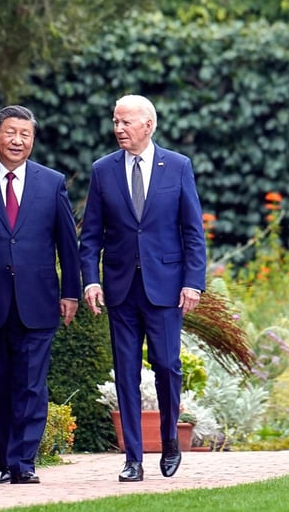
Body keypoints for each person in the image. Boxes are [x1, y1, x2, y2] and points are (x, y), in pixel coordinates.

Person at [0, 105, 80, 485]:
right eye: (10, 132)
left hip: (38, 301)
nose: (17, 140)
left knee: (31, 385)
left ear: (33, 140)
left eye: (25, 134)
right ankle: (5, 456)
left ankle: (23, 463)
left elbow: (67, 245)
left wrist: (70, 291)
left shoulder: (51, 182)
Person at [79, 94, 206, 482]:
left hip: (165, 288)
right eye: (115, 122)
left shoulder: (178, 166)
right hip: (120, 289)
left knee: (168, 366)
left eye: (126, 122)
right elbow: (91, 236)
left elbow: (192, 232)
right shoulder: (103, 170)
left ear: (148, 126)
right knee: (126, 372)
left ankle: (170, 441)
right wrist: (91, 278)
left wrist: (192, 283)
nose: (118, 129)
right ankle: (133, 457)